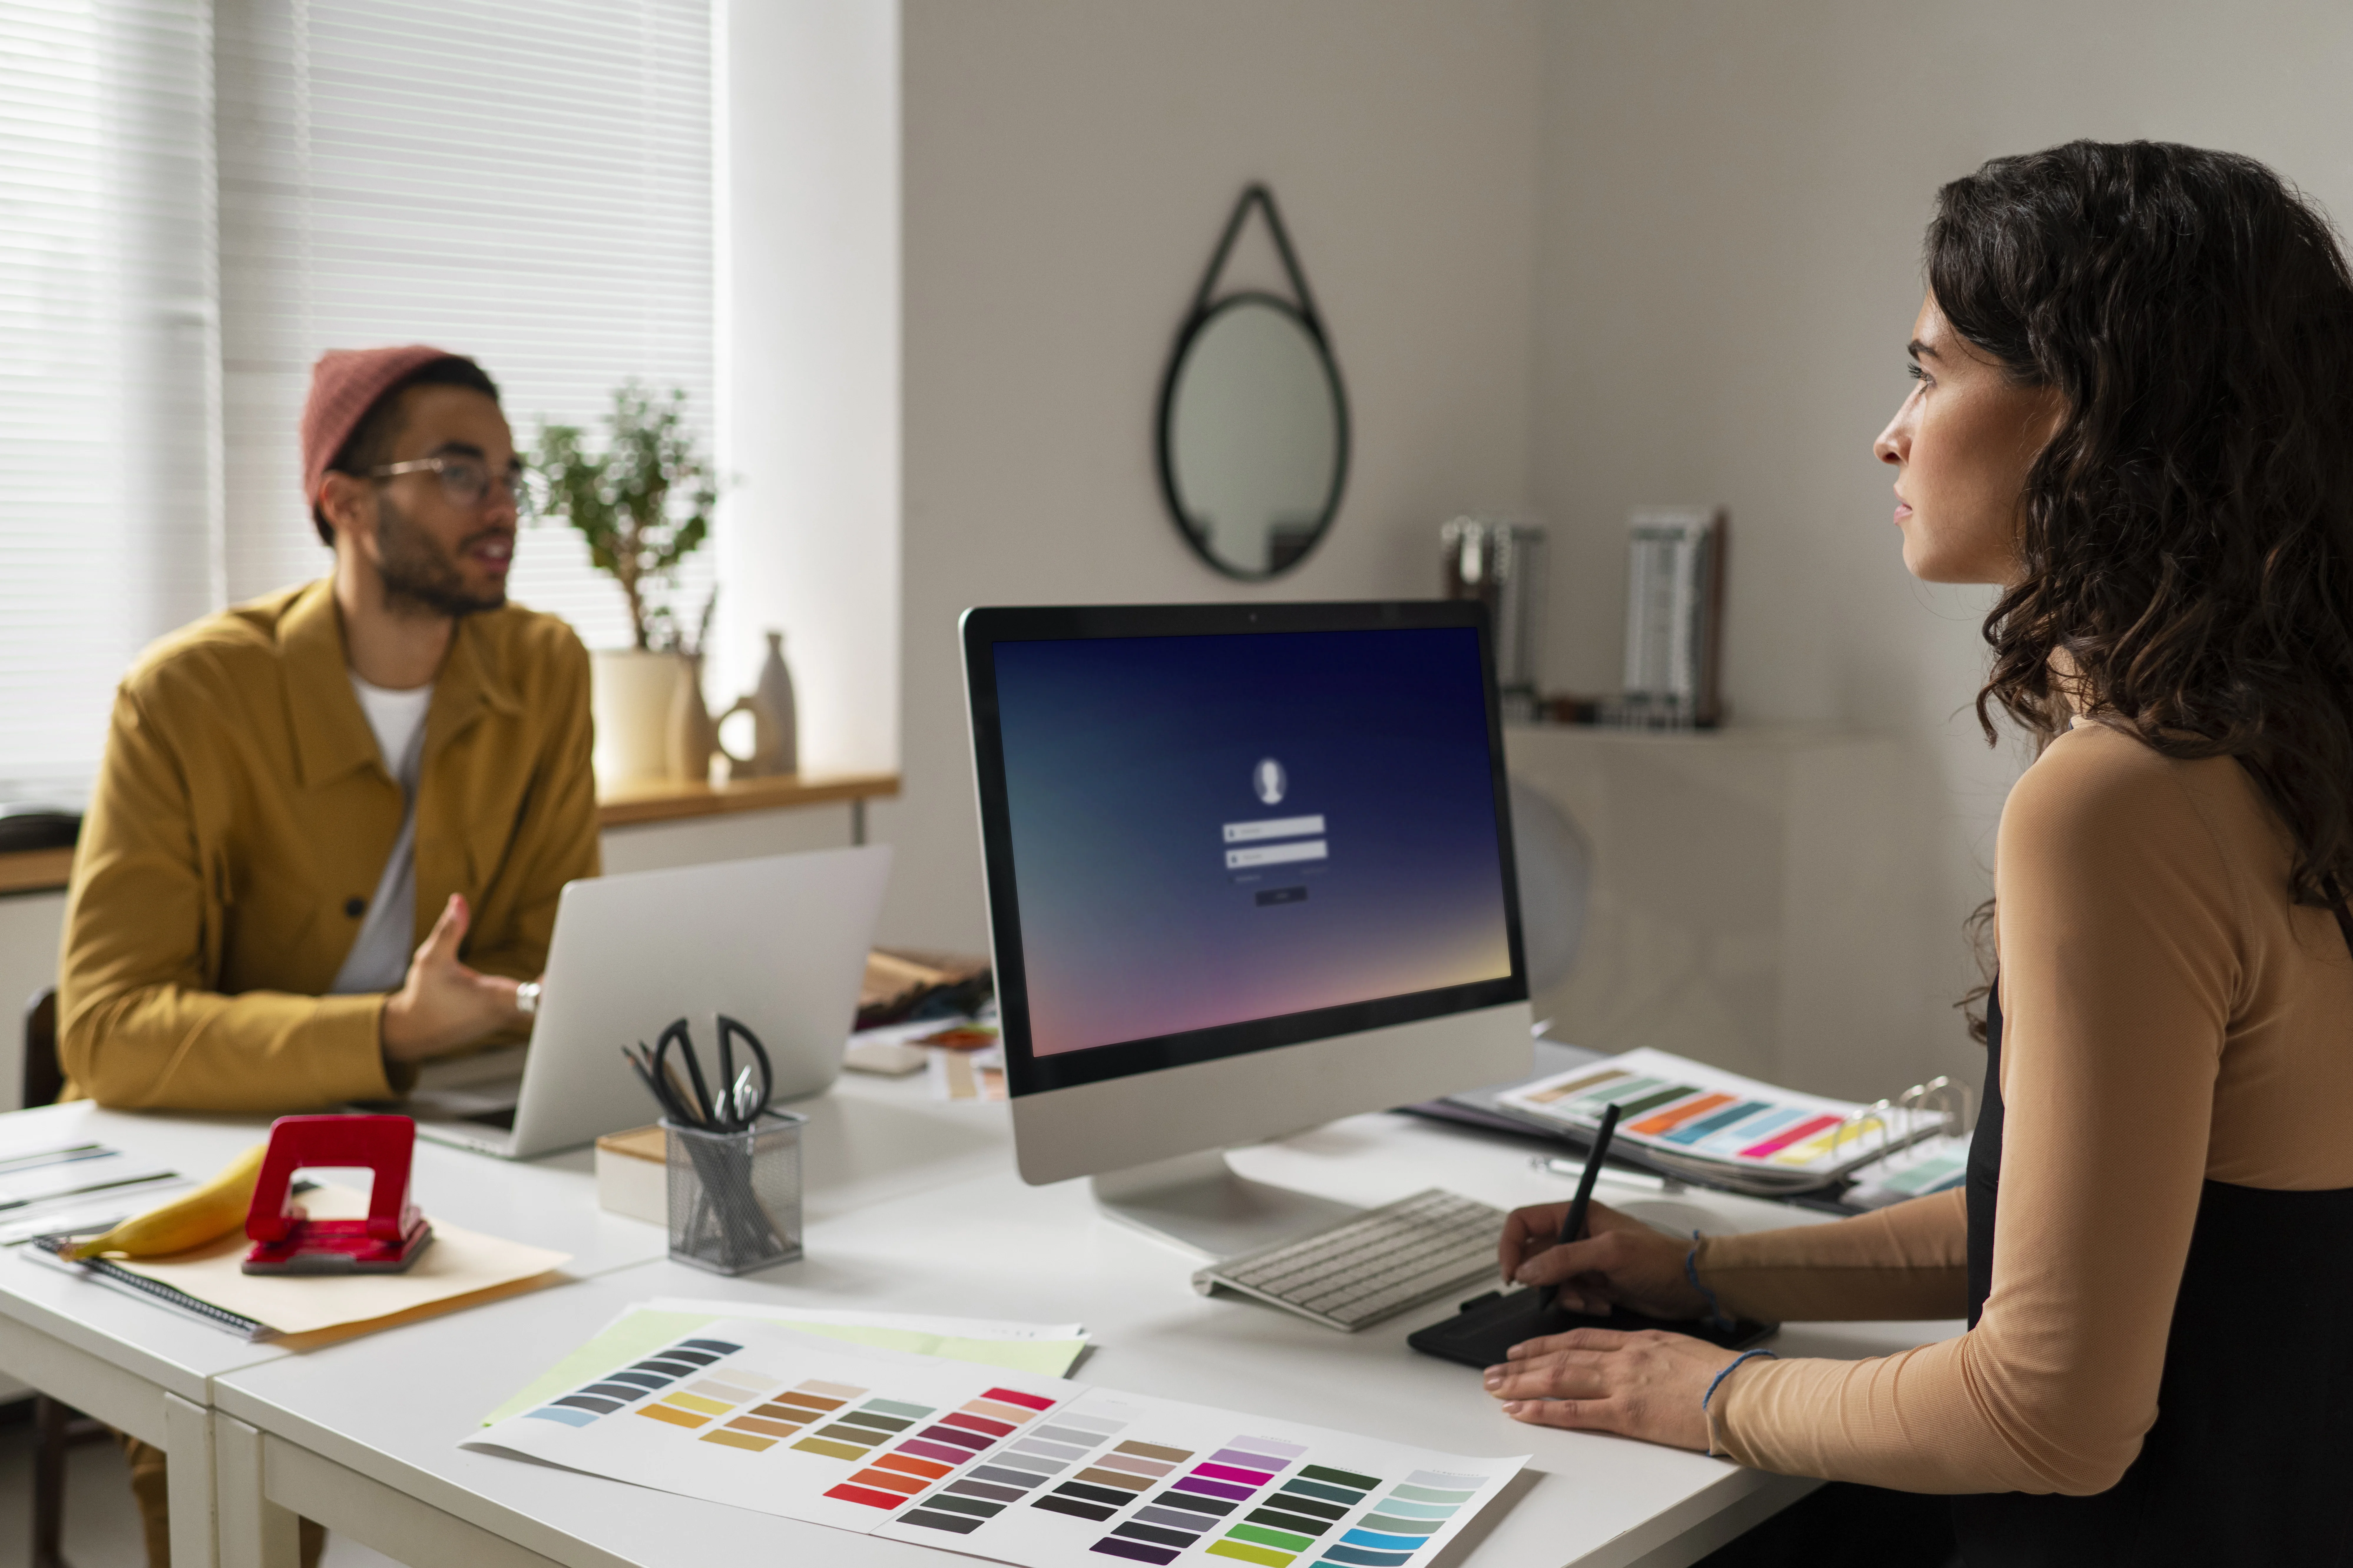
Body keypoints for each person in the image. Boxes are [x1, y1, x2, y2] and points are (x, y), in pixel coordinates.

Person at [1483, 140, 2353, 1566]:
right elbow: (2094, 1243)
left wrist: (1692, 1389)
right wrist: (1695, 1266)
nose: (1889, 432)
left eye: (1930, 372)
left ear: (2084, 416)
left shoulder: (2116, 805)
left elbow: (2048, 1412)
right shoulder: (2285, 760)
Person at [56, 345, 599, 1565]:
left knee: (618, 1329)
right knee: (228, 1431)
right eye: (460, 471)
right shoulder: (187, 695)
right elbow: (105, 1029)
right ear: (344, 500)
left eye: (511, 474)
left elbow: (553, 951)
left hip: (448, 1132)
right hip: (206, 1149)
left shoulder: (546, 667)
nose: (501, 503)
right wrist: (387, 1033)